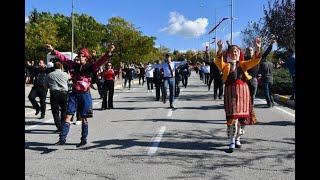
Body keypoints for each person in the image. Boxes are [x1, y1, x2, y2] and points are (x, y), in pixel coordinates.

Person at [46, 43, 115, 147]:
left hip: (85, 95)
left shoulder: (91, 67)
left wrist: (109, 52)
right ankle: (62, 139)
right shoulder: (74, 65)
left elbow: (101, 60)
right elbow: (63, 58)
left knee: (84, 118)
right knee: (68, 116)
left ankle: (83, 139)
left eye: (82, 56)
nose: (79, 57)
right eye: (78, 55)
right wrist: (53, 50)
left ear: (86, 58)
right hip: (74, 94)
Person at [214, 38, 261, 153]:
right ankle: (231, 142)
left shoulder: (243, 64)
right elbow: (218, 62)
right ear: (228, 53)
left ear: (239, 53)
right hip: (230, 93)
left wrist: (258, 48)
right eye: (232, 51)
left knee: (242, 119)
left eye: (236, 51)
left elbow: (255, 61)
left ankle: (238, 138)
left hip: (243, 93)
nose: (234, 53)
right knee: (232, 118)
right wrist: (220, 48)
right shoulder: (226, 66)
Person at [46, 62, 70, 132]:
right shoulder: (65, 74)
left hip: (54, 93)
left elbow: (45, 86)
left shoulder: (49, 75)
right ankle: (62, 126)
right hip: (64, 93)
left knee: (55, 111)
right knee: (64, 110)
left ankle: (58, 127)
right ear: (61, 67)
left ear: (54, 67)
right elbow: (69, 79)